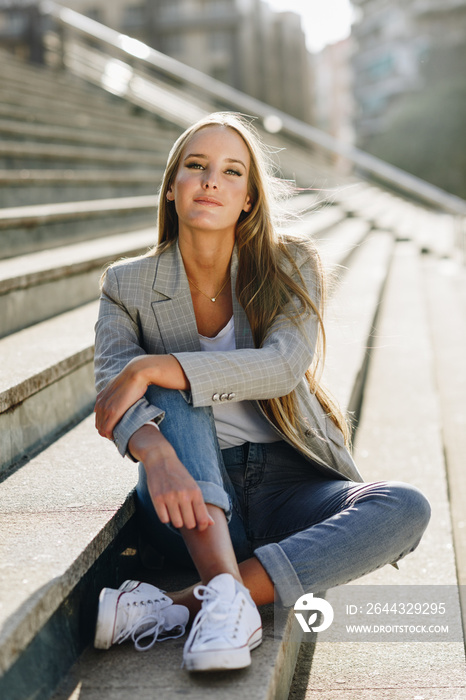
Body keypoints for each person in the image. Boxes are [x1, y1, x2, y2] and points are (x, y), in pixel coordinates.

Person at [92, 112, 431, 672]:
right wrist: (153, 452)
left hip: (289, 487)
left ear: (248, 198)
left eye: (231, 172)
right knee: (175, 395)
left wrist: (156, 364)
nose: (210, 181)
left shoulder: (289, 263)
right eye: (195, 167)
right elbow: (113, 392)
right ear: (172, 186)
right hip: (188, 494)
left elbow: (281, 367)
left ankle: (193, 602)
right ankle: (226, 593)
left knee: (404, 507)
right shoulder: (126, 283)